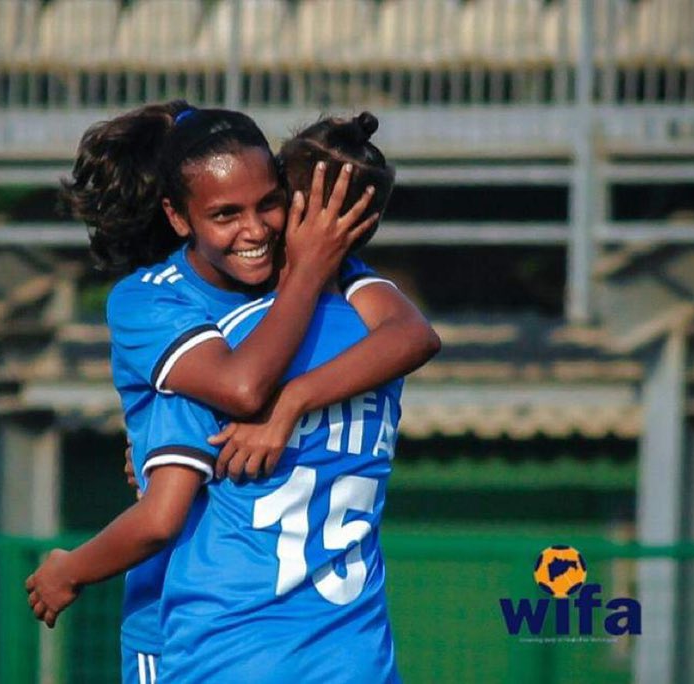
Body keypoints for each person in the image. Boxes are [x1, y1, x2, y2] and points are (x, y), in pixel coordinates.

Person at [26, 105, 437, 682]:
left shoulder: (225, 343)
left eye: (267, 203)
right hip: (353, 656)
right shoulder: (353, 319)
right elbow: (415, 335)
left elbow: (232, 406)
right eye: (225, 213)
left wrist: (69, 570)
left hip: (215, 641)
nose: (253, 229)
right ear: (177, 215)